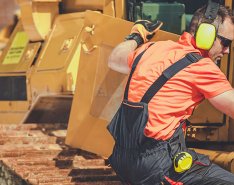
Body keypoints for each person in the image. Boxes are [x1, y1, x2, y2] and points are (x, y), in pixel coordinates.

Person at [107, 1, 234, 185]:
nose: (227, 50)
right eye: (226, 42)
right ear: (207, 34)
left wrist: (137, 35)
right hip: (157, 167)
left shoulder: (152, 49)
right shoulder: (202, 67)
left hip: (122, 160)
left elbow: (115, 59)